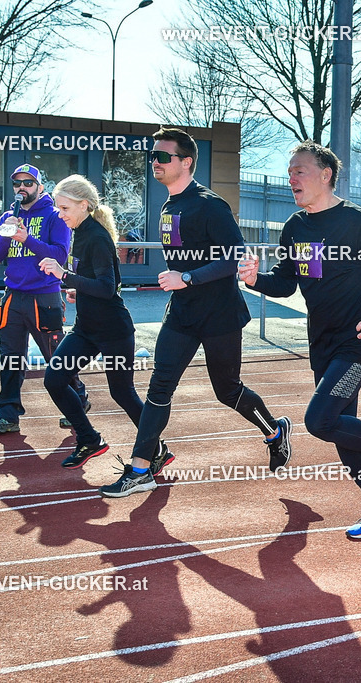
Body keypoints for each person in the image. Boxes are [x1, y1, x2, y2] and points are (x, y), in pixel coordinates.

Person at [239, 140, 361, 539]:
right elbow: (286, 285)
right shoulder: (295, 227)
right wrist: (255, 281)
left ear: (326, 175)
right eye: (289, 172)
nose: (291, 179)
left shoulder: (357, 221)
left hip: (359, 340)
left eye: (299, 171)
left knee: (319, 420)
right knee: (340, 426)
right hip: (321, 342)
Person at [99, 127, 290, 498]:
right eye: (152, 156)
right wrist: (181, 283)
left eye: (162, 157)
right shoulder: (169, 205)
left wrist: (186, 276)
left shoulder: (209, 204)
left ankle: (274, 430)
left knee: (227, 390)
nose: (154, 162)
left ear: (185, 162)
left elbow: (235, 256)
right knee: (160, 385)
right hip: (182, 315)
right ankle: (141, 469)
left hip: (219, 315)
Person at [38, 175, 147, 469]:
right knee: (55, 378)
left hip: (113, 329)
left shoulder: (96, 236)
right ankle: (89, 439)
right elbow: (97, 283)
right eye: (58, 209)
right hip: (87, 329)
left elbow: (108, 288)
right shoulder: (81, 232)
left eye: (64, 208)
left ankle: (155, 448)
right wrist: (77, 290)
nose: (60, 215)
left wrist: (63, 276)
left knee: (122, 392)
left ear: (83, 205)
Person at [0, 164, 86, 435]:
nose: (22, 188)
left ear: (40, 187)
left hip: (45, 297)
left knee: (57, 358)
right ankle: (8, 415)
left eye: (28, 183)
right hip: (13, 297)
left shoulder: (54, 216)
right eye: (17, 183)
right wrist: (8, 233)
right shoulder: (9, 215)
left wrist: (26, 238)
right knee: (11, 359)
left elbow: (60, 255)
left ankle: (79, 400)